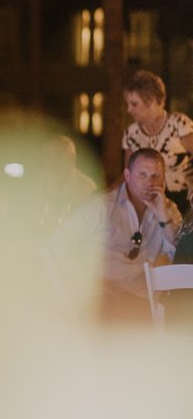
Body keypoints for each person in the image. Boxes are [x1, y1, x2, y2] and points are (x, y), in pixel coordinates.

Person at [52, 148, 180, 315]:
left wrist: (163, 216)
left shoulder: (169, 210)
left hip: (142, 299)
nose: (149, 182)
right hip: (101, 297)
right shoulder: (103, 205)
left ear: (164, 179)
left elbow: (179, 253)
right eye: (142, 175)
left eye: (156, 176)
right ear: (127, 175)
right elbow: (59, 240)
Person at [122, 70, 193, 214]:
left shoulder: (179, 124)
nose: (128, 110)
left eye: (134, 104)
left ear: (152, 101)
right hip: (148, 211)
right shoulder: (131, 134)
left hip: (185, 207)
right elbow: (128, 177)